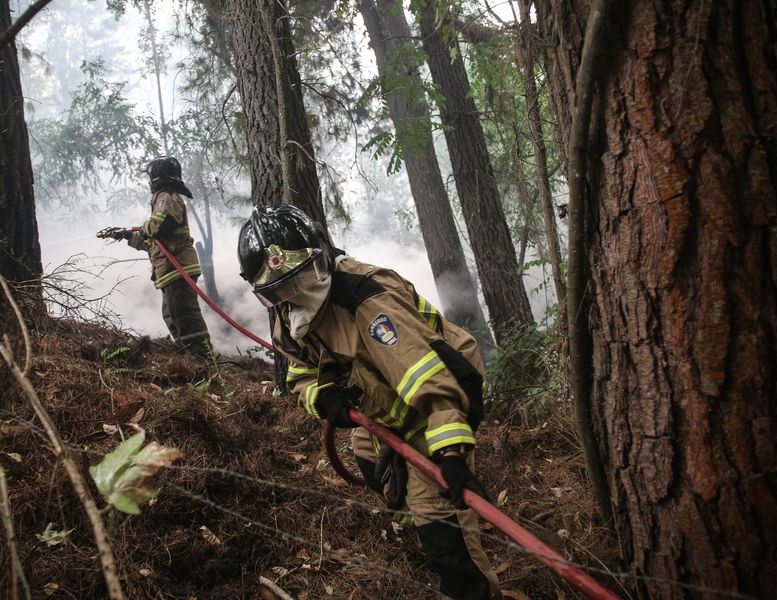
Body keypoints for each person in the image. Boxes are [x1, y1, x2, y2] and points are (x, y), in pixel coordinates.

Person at [237, 205, 502, 600]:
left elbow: (432, 379)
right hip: (383, 411)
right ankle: (413, 506)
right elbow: (299, 376)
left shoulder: (367, 300)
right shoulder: (287, 321)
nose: (297, 295)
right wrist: (322, 397)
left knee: (444, 529)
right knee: (370, 462)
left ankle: (471, 586)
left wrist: (451, 454)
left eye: (303, 278)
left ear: (324, 257)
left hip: (438, 404)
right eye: (280, 290)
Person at [98, 156, 213, 360]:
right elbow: (153, 244)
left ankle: (203, 359)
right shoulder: (164, 199)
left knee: (185, 316)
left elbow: (158, 226)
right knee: (171, 315)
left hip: (178, 270)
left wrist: (143, 227)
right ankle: (189, 356)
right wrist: (127, 236)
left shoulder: (166, 197)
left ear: (158, 178)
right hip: (170, 271)